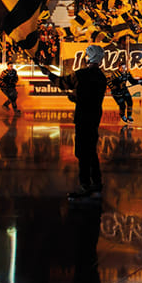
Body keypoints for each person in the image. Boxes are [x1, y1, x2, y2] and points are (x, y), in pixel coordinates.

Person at [38, 44, 108, 201]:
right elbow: (92, 97)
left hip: (83, 117)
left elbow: (63, 83)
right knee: (91, 150)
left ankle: (85, 186)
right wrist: (76, 97)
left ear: (89, 57)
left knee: (82, 152)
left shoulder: (81, 74)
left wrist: (48, 74)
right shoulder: (102, 78)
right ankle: (96, 183)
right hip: (94, 117)